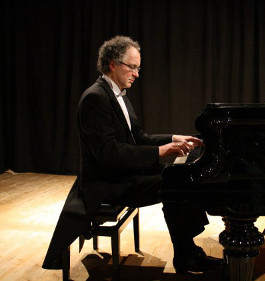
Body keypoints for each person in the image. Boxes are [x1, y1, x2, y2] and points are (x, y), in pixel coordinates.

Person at [42, 35, 221, 274]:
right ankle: (187, 256)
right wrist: (160, 152)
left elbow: (138, 137)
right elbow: (108, 153)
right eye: (132, 67)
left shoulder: (117, 95)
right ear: (113, 64)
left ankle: (188, 252)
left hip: (121, 174)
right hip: (106, 183)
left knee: (179, 178)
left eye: (138, 68)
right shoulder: (95, 98)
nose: (137, 73)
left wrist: (172, 139)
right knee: (176, 183)